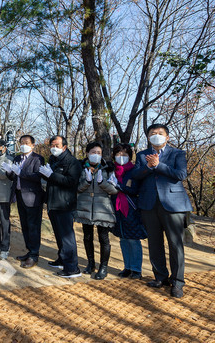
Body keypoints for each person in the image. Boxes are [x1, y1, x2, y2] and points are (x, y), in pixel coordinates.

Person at [130, 124, 192, 298]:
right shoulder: (142, 155)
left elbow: (180, 174)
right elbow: (135, 176)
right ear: (148, 137)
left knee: (175, 245)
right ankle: (160, 277)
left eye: (160, 133)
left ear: (167, 137)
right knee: (154, 244)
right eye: (152, 134)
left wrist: (158, 165)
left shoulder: (177, 154)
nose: (156, 136)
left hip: (174, 205)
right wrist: (148, 167)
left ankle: (178, 282)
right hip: (149, 204)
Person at [39, 135, 82, 278]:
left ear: (64, 147)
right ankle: (62, 259)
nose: (54, 148)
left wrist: (51, 175)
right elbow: (52, 179)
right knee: (59, 235)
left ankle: (72, 268)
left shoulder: (72, 162)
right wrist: (45, 174)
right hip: (53, 203)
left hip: (65, 204)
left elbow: (71, 182)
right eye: (52, 145)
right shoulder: (53, 160)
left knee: (67, 237)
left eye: (57, 145)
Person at [75, 142, 118, 280]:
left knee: (103, 238)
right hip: (85, 207)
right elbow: (76, 188)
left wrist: (102, 183)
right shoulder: (80, 168)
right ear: (87, 153)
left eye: (99, 153)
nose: (96, 155)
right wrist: (87, 182)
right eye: (93, 152)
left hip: (103, 208)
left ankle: (103, 267)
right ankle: (90, 263)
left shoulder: (108, 168)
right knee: (87, 237)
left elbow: (114, 190)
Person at [5, 135, 45, 268]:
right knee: (25, 226)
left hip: (32, 198)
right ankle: (29, 251)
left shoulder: (38, 159)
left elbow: (37, 176)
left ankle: (34, 255)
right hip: (19, 196)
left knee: (34, 227)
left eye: (26, 143)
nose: (23, 145)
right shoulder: (17, 158)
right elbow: (13, 177)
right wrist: (9, 172)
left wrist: (20, 172)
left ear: (33, 145)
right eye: (21, 142)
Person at [111, 143, 146, 280]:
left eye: (125, 155)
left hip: (131, 208)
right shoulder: (112, 170)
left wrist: (119, 186)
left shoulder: (134, 170)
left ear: (130, 156)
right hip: (116, 208)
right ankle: (127, 267)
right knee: (123, 239)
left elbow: (135, 189)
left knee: (133, 240)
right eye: (119, 154)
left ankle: (136, 269)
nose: (121, 157)